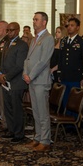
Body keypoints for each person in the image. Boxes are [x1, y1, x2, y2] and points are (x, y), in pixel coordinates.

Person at [22, 12, 53, 152]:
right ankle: (38, 137)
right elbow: (27, 59)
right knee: (36, 112)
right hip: (32, 80)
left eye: (36, 19)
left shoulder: (48, 38)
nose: (33, 21)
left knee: (43, 112)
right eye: (33, 19)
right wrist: (25, 72)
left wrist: (31, 75)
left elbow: (43, 61)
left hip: (40, 80)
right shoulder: (34, 38)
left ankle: (45, 140)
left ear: (44, 22)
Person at [0, 22, 29, 143]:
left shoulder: (22, 45)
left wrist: (7, 77)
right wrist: (0, 74)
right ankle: (11, 130)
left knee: (16, 108)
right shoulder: (7, 43)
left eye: (11, 30)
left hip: (16, 82)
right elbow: (3, 61)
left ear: (17, 30)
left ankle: (18, 134)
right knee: (8, 108)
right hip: (5, 81)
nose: (9, 32)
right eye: (8, 30)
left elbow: (19, 65)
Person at [54, 17, 83, 111]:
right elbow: (61, 58)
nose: (69, 27)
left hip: (75, 76)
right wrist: (59, 72)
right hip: (64, 75)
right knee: (64, 99)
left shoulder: (82, 41)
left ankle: (73, 123)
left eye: (72, 25)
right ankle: (65, 121)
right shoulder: (64, 41)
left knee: (73, 100)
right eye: (68, 25)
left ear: (78, 27)